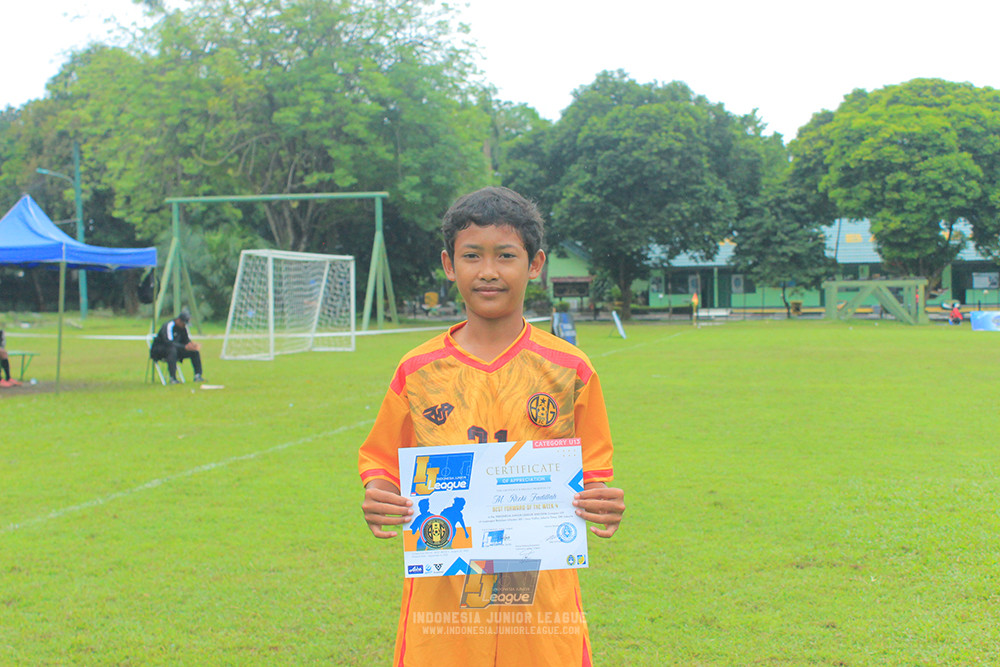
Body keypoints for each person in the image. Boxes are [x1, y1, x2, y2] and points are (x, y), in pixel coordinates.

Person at [358, 186, 625, 666]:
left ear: (535, 263)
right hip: (443, 596)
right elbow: (381, 461)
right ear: (448, 263)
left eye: (505, 255)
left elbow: (593, 473)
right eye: (471, 256)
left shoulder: (571, 369)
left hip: (540, 595)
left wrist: (602, 501)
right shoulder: (417, 371)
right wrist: (379, 493)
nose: (487, 271)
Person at [151, 308, 204, 384]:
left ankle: (198, 375)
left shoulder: (183, 328)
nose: (184, 325)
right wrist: (184, 347)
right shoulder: (169, 326)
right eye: (183, 323)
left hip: (175, 349)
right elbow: (168, 342)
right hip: (160, 350)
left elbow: (186, 340)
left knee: (194, 351)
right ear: (178, 320)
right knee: (172, 350)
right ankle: (173, 378)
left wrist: (191, 345)